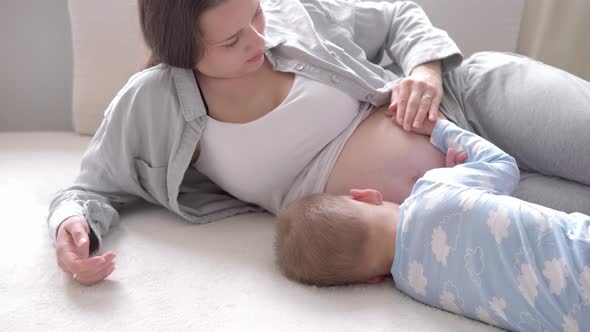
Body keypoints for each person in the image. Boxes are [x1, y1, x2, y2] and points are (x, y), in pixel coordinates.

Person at [47, 0, 590, 286]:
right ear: (183, 51)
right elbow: (90, 188)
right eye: (232, 40)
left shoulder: (293, 13)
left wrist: (425, 71)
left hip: (473, 100)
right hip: (461, 204)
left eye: (255, 14)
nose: (258, 38)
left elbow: (398, 14)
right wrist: (74, 226)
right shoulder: (155, 102)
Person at [274, 118, 590, 332]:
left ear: (370, 280)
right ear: (366, 196)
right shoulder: (434, 188)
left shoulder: (416, 286)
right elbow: (503, 166)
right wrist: (439, 127)